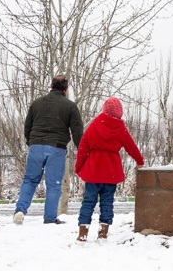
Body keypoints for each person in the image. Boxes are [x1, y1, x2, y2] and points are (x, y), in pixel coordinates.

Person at [13, 75, 84, 225]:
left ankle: (20, 210)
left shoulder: (37, 103)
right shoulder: (70, 106)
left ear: (51, 87)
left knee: (30, 180)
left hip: (36, 146)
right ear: (66, 89)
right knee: (54, 183)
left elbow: (28, 127)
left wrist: (31, 142)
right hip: (56, 147)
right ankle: (50, 218)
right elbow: (77, 131)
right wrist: (81, 150)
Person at [74, 96, 145, 242]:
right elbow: (131, 146)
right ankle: (103, 234)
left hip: (93, 171)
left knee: (88, 202)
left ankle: (82, 234)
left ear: (104, 110)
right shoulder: (120, 129)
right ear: (120, 113)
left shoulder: (94, 126)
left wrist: (78, 167)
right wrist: (140, 161)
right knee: (107, 202)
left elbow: (83, 148)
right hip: (111, 172)